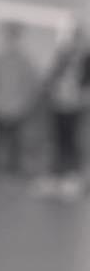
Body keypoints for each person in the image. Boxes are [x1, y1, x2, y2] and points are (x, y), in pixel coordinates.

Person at [35, 20, 89, 199]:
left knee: (72, 143)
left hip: (76, 108)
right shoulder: (63, 56)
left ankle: (72, 178)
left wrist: (81, 96)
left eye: (78, 38)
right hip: (59, 105)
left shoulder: (86, 59)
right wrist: (51, 90)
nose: (75, 41)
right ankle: (54, 176)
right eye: (74, 37)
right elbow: (51, 77)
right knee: (56, 141)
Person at [0, 21, 38, 178]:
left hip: (16, 111)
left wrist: (21, 106)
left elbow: (30, 88)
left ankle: (12, 172)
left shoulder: (25, 62)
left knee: (14, 146)